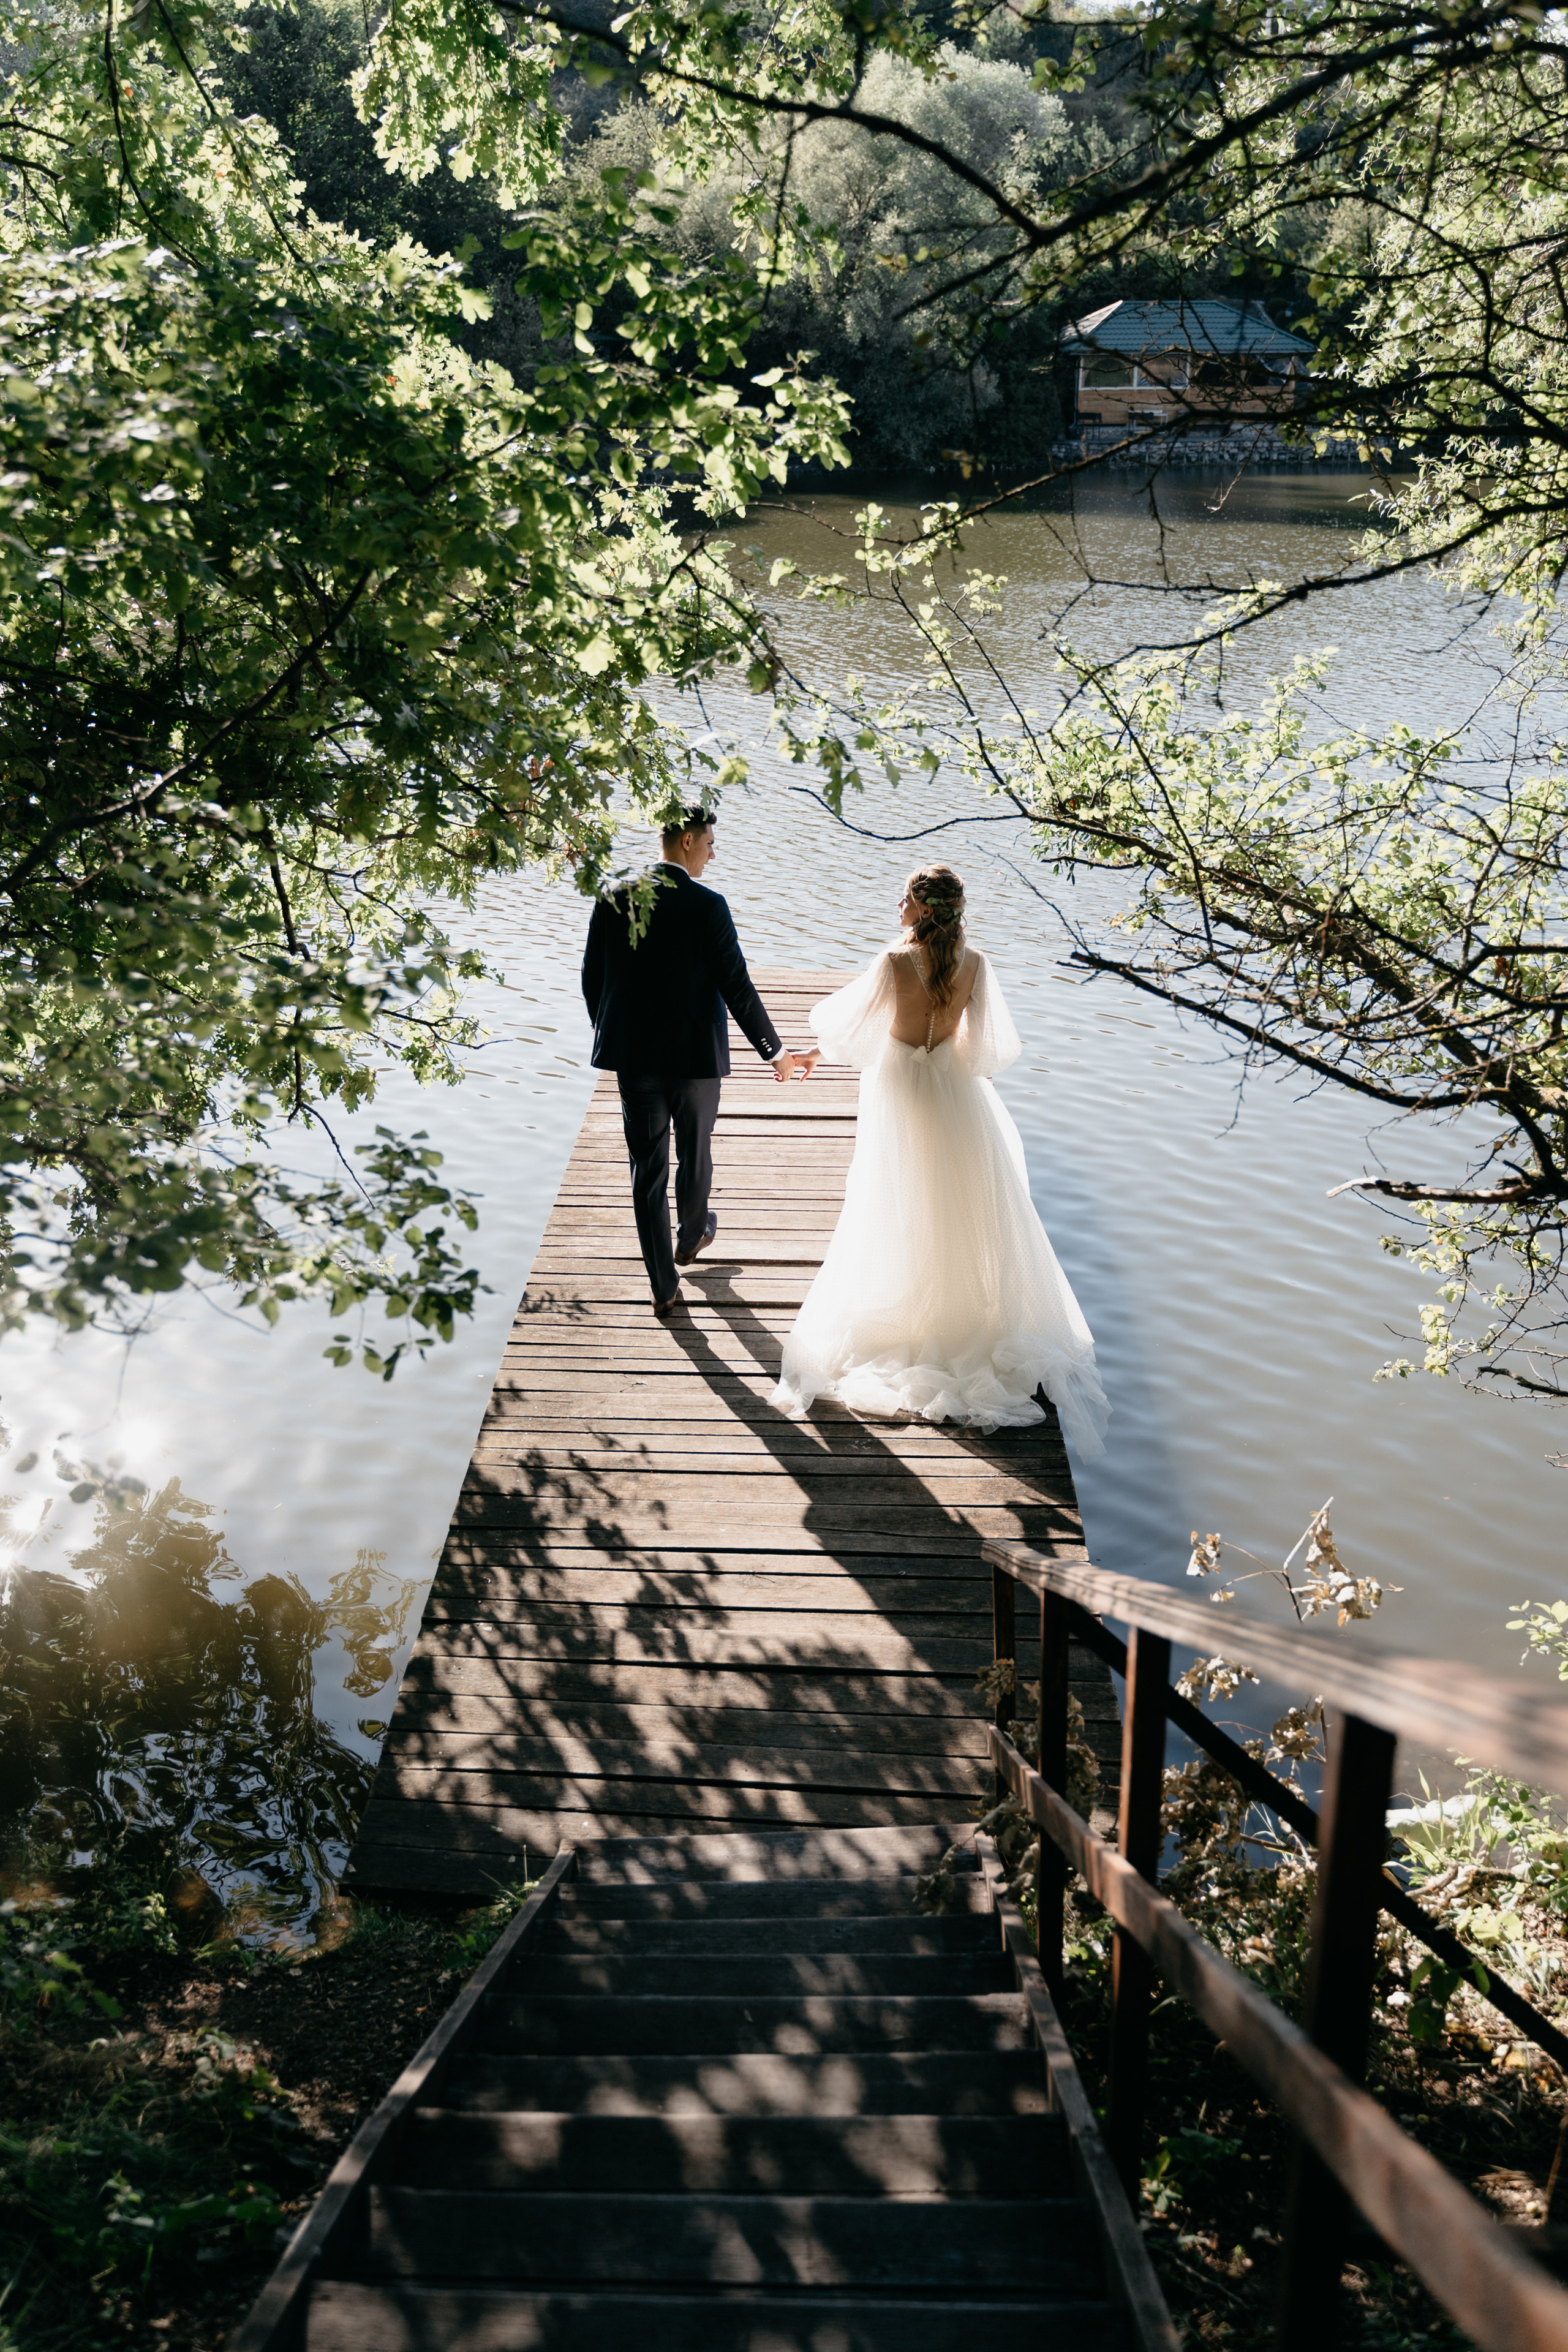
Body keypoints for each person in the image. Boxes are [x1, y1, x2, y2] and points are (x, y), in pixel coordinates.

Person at [772, 864, 1108, 1452]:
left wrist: (807, 1056)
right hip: (955, 1089)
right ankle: (960, 1317)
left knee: (893, 1199)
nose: (897, 906)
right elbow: (985, 1050)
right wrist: (949, 1054)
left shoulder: (895, 962)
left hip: (900, 1088)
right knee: (958, 1206)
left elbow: (853, 1033)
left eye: (904, 898)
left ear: (923, 908)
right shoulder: (976, 964)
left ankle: (906, 1310)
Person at [581, 808, 801, 1317]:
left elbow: (593, 978)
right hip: (696, 1061)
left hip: (636, 1062)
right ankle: (693, 1233)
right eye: (709, 843)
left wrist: (615, 1036)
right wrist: (776, 1052)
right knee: (696, 1151)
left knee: (648, 1171)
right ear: (686, 841)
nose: (712, 853)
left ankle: (663, 1285)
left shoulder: (612, 895)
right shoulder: (708, 906)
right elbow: (737, 987)